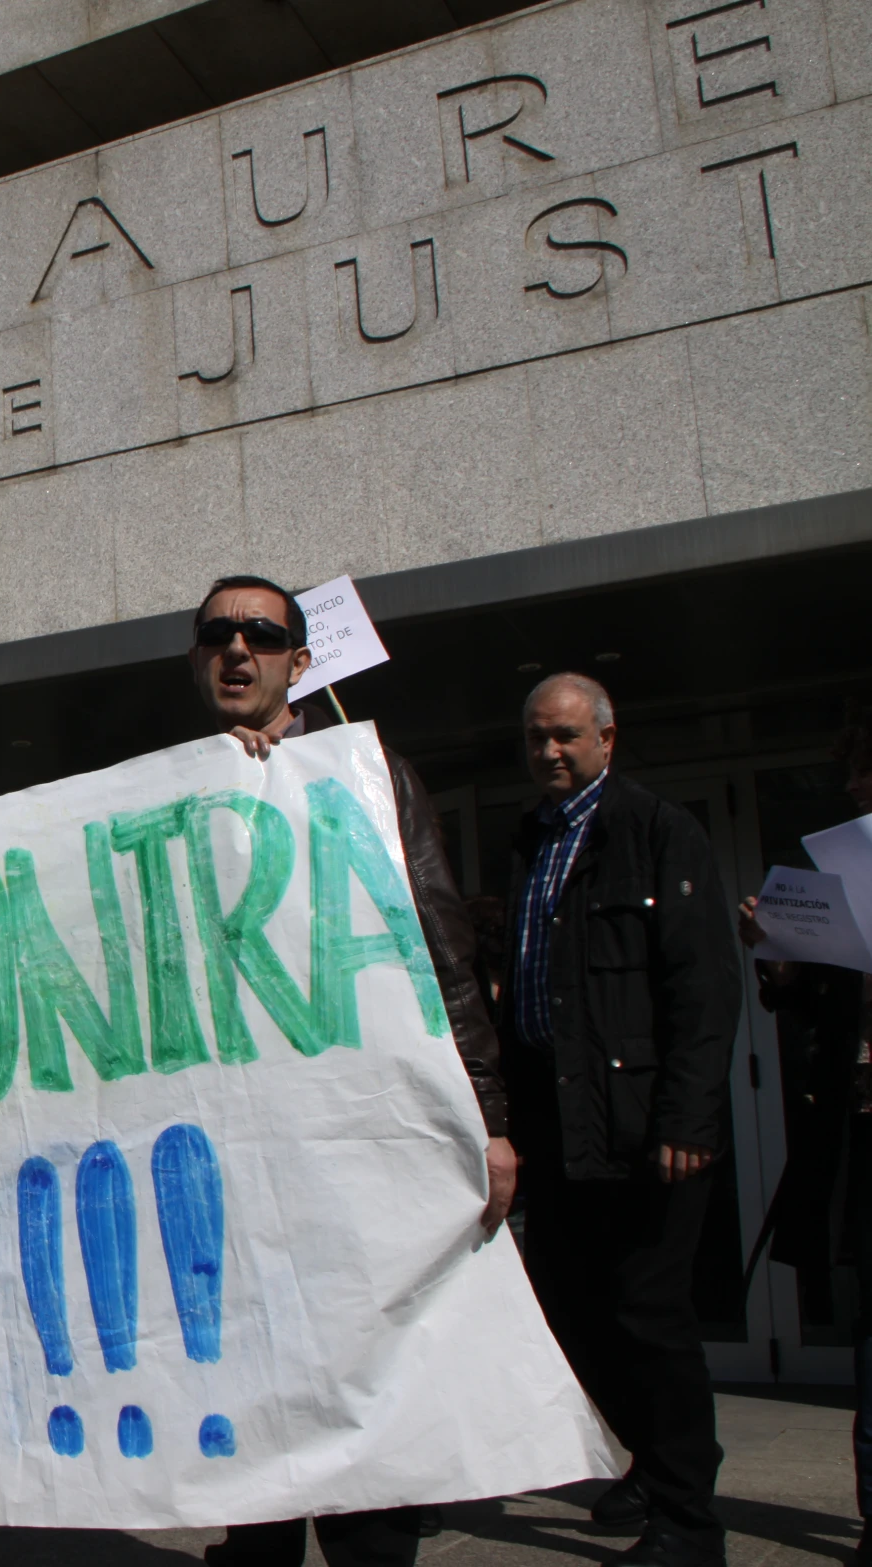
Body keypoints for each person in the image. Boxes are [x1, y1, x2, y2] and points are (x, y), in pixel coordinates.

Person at [185, 576, 513, 1567]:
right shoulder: (167, 788)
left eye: (262, 634)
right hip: (233, 1168)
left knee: (366, 1436)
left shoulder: (367, 774)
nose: (237, 649)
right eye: (217, 634)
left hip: (351, 1155)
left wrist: (486, 1119)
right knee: (259, 1443)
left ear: (300, 660)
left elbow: (438, 950)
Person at [503, 673, 739, 1567]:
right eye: (536, 738)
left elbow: (703, 987)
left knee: (650, 1316)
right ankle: (649, 1456)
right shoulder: (531, 837)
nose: (550, 753)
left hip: (647, 1132)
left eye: (565, 736)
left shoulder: (655, 830)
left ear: (608, 737)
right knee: (567, 1307)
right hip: (559, 1128)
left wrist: (688, 1117)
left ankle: (688, 1519)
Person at [738, 712, 872, 1565]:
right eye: (853, 774)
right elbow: (809, 1001)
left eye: (869, 773)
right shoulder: (846, 876)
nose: (856, 788)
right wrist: (782, 959)